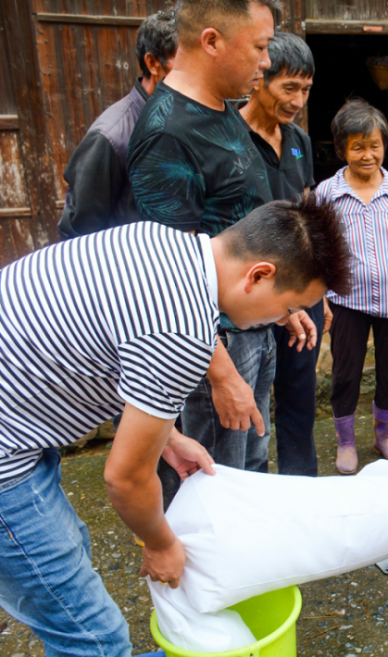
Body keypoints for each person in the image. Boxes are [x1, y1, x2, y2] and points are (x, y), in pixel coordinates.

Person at [0, 196, 352, 656]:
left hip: (20, 422)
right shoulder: (186, 333)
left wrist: (166, 434)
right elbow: (125, 479)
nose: (285, 321)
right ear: (259, 275)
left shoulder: (160, 241)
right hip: (8, 459)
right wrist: (160, 543)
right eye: (288, 307)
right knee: (93, 636)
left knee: (68, 559)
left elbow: (105, 340)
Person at [128, 0, 317, 505]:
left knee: (252, 463)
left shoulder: (223, 112)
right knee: (215, 478)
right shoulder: (169, 134)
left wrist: (281, 307)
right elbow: (163, 275)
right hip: (211, 342)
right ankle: (206, 577)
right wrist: (220, 371)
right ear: (211, 42)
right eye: (258, 48)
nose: (264, 62)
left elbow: (238, 232)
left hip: (251, 327)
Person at [240, 31, 331, 476]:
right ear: (260, 79)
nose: (298, 100)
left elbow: (308, 213)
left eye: (306, 90)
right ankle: (253, 495)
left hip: (300, 295)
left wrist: (321, 295)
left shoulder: (299, 141)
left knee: (299, 396)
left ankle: (302, 488)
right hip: (248, 298)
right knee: (249, 410)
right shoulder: (228, 139)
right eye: (288, 87)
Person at [316, 99, 388, 474]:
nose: (367, 154)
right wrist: (324, 295)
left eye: (374, 145)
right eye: (357, 146)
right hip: (347, 299)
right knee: (346, 372)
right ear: (342, 148)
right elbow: (322, 247)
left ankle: (384, 437)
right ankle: (345, 442)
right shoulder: (328, 192)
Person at [57, 8, 177, 240]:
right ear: (153, 63)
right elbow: (78, 232)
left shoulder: (180, 120)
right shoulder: (111, 136)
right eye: (184, 63)